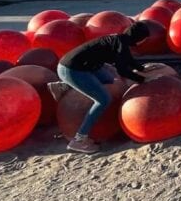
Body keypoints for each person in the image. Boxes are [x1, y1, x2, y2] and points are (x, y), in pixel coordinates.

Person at [47, 20, 155, 154]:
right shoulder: (121, 45)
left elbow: (128, 60)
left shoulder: (120, 39)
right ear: (139, 39)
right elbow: (122, 71)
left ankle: (65, 86)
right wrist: (143, 80)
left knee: (108, 79)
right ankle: (79, 140)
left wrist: (142, 68)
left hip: (80, 65)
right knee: (103, 100)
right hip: (71, 69)